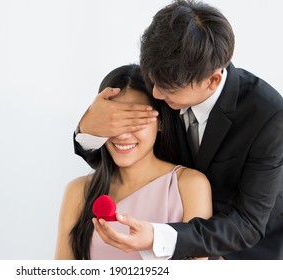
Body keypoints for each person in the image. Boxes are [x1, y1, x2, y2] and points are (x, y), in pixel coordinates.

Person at [73, 0, 283, 260]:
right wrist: (90, 128)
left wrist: (158, 237)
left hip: (245, 254)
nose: (156, 94)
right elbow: (124, 159)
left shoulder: (268, 116)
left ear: (213, 80)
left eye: (169, 89)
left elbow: (248, 224)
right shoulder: (165, 79)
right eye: (153, 81)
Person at [55, 64, 212, 260]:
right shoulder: (78, 191)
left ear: (161, 121)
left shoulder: (190, 185)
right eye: (115, 120)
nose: (122, 134)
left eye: (136, 119)